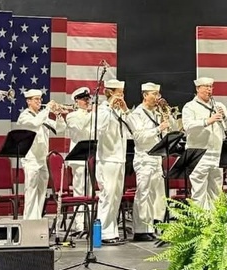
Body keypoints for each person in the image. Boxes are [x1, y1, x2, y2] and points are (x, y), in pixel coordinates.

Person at [181, 77, 227, 212]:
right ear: (197, 89)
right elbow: (188, 126)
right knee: (199, 191)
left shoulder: (219, 106)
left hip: (217, 153)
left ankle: (214, 224)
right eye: (205, 87)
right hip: (198, 153)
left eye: (211, 87)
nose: (209, 90)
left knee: (216, 191)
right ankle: (200, 224)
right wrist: (207, 121)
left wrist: (225, 117)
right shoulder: (190, 106)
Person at [129, 82, 171, 241]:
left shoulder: (156, 113)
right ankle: (140, 229)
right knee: (143, 193)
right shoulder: (137, 114)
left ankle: (154, 226)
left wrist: (166, 123)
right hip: (144, 157)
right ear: (145, 95)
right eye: (154, 94)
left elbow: (163, 134)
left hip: (157, 157)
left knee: (157, 195)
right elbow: (139, 137)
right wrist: (158, 128)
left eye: (158, 94)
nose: (157, 98)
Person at [16, 89, 66, 221]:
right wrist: (47, 110)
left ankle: (37, 220)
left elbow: (60, 128)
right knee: (31, 191)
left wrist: (58, 115)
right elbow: (35, 123)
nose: (39, 102)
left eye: (40, 99)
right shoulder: (24, 116)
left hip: (42, 159)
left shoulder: (43, 116)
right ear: (28, 101)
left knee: (41, 192)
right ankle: (29, 221)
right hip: (31, 159)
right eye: (36, 99)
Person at [95, 79, 133, 244]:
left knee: (116, 196)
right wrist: (111, 105)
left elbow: (134, 130)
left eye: (122, 93)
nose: (121, 96)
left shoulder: (119, 112)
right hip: (107, 159)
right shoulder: (103, 109)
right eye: (119, 93)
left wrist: (125, 109)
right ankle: (102, 232)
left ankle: (111, 232)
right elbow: (99, 127)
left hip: (120, 158)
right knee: (107, 195)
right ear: (110, 93)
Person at [65, 87, 94, 196]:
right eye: (84, 99)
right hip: (78, 158)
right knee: (80, 187)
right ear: (77, 101)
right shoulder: (72, 116)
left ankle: (89, 211)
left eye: (88, 99)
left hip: (90, 156)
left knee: (90, 189)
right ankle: (79, 213)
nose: (87, 101)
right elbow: (80, 127)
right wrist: (92, 113)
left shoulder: (91, 115)